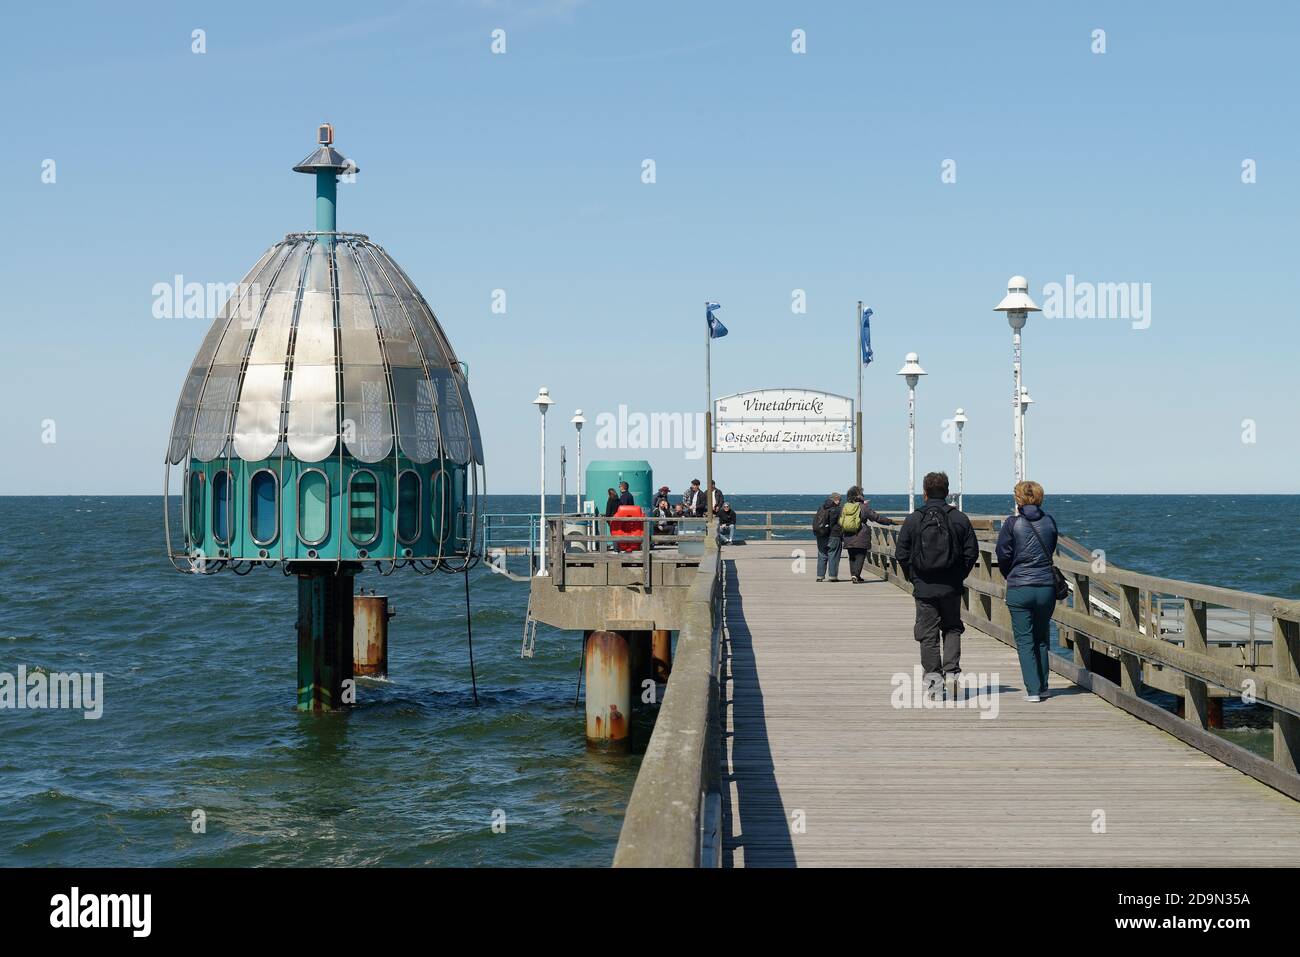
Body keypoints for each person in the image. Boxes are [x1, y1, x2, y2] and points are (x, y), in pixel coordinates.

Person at [893, 471, 979, 701]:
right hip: (951, 586)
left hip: (924, 587)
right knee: (952, 627)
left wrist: (913, 577)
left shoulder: (914, 519)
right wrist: (959, 574)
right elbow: (972, 552)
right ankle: (951, 672)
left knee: (927, 634)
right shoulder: (959, 518)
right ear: (947, 491)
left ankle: (934, 685)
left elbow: (900, 553)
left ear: (924, 493)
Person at [995, 480, 1060, 703]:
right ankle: (1044, 687)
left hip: (1020, 587)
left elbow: (1003, 554)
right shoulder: (1050, 521)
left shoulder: (1012, 524)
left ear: (1019, 500)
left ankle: (1033, 690)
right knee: (1042, 638)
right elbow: (1050, 549)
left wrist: (1010, 574)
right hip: (1045, 588)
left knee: (1024, 640)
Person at [839, 485, 895, 583]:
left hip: (848, 535)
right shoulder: (863, 507)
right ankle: (856, 575)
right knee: (860, 556)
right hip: (861, 535)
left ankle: (854, 575)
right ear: (859, 496)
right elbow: (876, 517)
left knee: (852, 556)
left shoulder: (845, 507)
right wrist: (889, 521)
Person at [813, 492, 843, 582]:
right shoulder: (837, 509)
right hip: (834, 535)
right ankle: (833, 576)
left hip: (821, 535)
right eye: (840, 500)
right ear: (836, 500)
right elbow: (839, 522)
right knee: (833, 554)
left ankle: (820, 576)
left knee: (822, 554)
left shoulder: (821, 508)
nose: (841, 502)